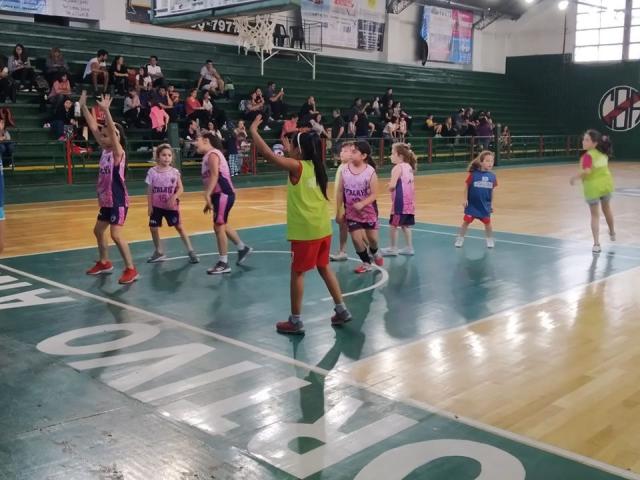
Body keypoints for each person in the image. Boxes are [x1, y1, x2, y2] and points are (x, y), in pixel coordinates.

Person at [249, 115, 352, 334]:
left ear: (299, 151)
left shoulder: (296, 167)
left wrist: (254, 131)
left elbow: (268, 154)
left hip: (305, 232)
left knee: (297, 273)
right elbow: (295, 161)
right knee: (324, 268)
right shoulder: (316, 166)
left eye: (293, 147)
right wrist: (291, 150)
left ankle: (295, 321)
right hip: (323, 229)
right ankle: (341, 309)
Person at [79, 91, 139, 284]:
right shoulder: (105, 150)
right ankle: (105, 262)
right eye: (102, 135)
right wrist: (83, 106)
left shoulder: (118, 152)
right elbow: (93, 126)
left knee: (115, 234)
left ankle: (131, 269)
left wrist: (106, 111)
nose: (103, 137)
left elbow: (111, 133)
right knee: (98, 231)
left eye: (107, 135)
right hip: (106, 200)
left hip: (118, 200)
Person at [197, 132, 252, 274]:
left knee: (218, 226)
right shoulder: (207, 157)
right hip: (219, 195)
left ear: (206, 140)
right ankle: (242, 248)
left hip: (223, 193)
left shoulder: (213, 154)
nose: (195, 143)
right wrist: (209, 198)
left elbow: (215, 175)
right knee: (222, 224)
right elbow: (210, 179)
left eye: (198, 140)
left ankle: (223, 262)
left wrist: (207, 194)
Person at [145, 144, 199, 264]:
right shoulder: (152, 172)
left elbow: (181, 188)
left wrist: (174, 197)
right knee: (153, 227)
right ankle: (159, 251)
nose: (166, 158)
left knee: (179, 227)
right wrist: (149, 206)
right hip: (157, 206)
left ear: (172, 158)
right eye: (164, 155)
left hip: (171, 207)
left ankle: (191, 251)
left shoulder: (174, 172)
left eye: (169, 155)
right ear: (158, 156)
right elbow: (149, 190)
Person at [336, 140, 383, 273]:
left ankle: (374, 250)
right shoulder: (344, 170)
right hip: (351, 212)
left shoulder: (370, 172)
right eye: (350, 151)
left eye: (354, 151)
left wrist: (362, 203)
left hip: (368, 211)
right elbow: (340, 191)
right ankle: (366, 263)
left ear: (363, 156)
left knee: (372, 239)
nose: (351, 153)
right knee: (356, 240)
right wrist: (339, 209)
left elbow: (374, 194)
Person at [570, 129, 615, 254]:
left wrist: (575, 177)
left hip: (593, 188)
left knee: (595, 215)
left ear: (594, 143)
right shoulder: (603, 153)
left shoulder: (587, 156)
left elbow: (587, 172)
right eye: (583, 139)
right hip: (606, 185)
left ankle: (596, 244)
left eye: (587, 140)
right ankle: (612, 232)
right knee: (607, 209)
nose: (583, 142)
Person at [455, 150, 497, 249]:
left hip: (484, 205)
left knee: (488, 223)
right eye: (487, 161)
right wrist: (465, 199)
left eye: (491, 161)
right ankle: (460, 238)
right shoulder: (473, 175)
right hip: (472, 205)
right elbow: (466, 186)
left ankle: (489, 239)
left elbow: (492, 191)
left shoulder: (492, 177)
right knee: (466, 221)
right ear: (481, 162)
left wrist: (491, 204)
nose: (490, 163)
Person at [381, 143, 416, 256]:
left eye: (392, 153)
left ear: (399, 156)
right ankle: (409, 248)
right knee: (405, 225)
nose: (390, 156)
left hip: (399, 203)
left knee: (393, 225)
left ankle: (393, 248)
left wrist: (389, 186)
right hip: (409, 202)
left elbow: (393, 185)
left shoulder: (397, 167)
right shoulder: (409, 167)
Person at [329, 142, 353, 262]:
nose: (341, 153)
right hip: (342, 205)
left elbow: (344, 191)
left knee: (356, 230)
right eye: (341, 151)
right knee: (343, 228)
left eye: (345, 151)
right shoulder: (342, 166)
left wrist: (340, 209)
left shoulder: (349, 169)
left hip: (347, 205)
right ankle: (342, 251)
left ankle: (371, 250)